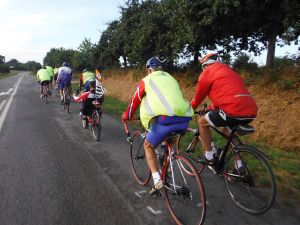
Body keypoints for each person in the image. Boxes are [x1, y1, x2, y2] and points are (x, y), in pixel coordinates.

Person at [121, 57, 194, 196]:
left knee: (148, 145)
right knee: (167, 141)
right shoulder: (172, 79)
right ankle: (167, 162)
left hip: (164, 121)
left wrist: (127, 115)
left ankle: (157, 181)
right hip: (184, 119)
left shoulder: (146, 80)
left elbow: (135, 100)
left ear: (149, 69)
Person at [190, 52, 258, 168]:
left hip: (233, 109)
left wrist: (188, 111)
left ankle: (209, 156)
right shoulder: (228, 71)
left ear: (204, 66)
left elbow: (198, 97)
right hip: (251, 111)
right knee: (226, 131)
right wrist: (212, 108)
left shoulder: (207, 73)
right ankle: (239, 166)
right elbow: (226, 95)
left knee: (202, 122)